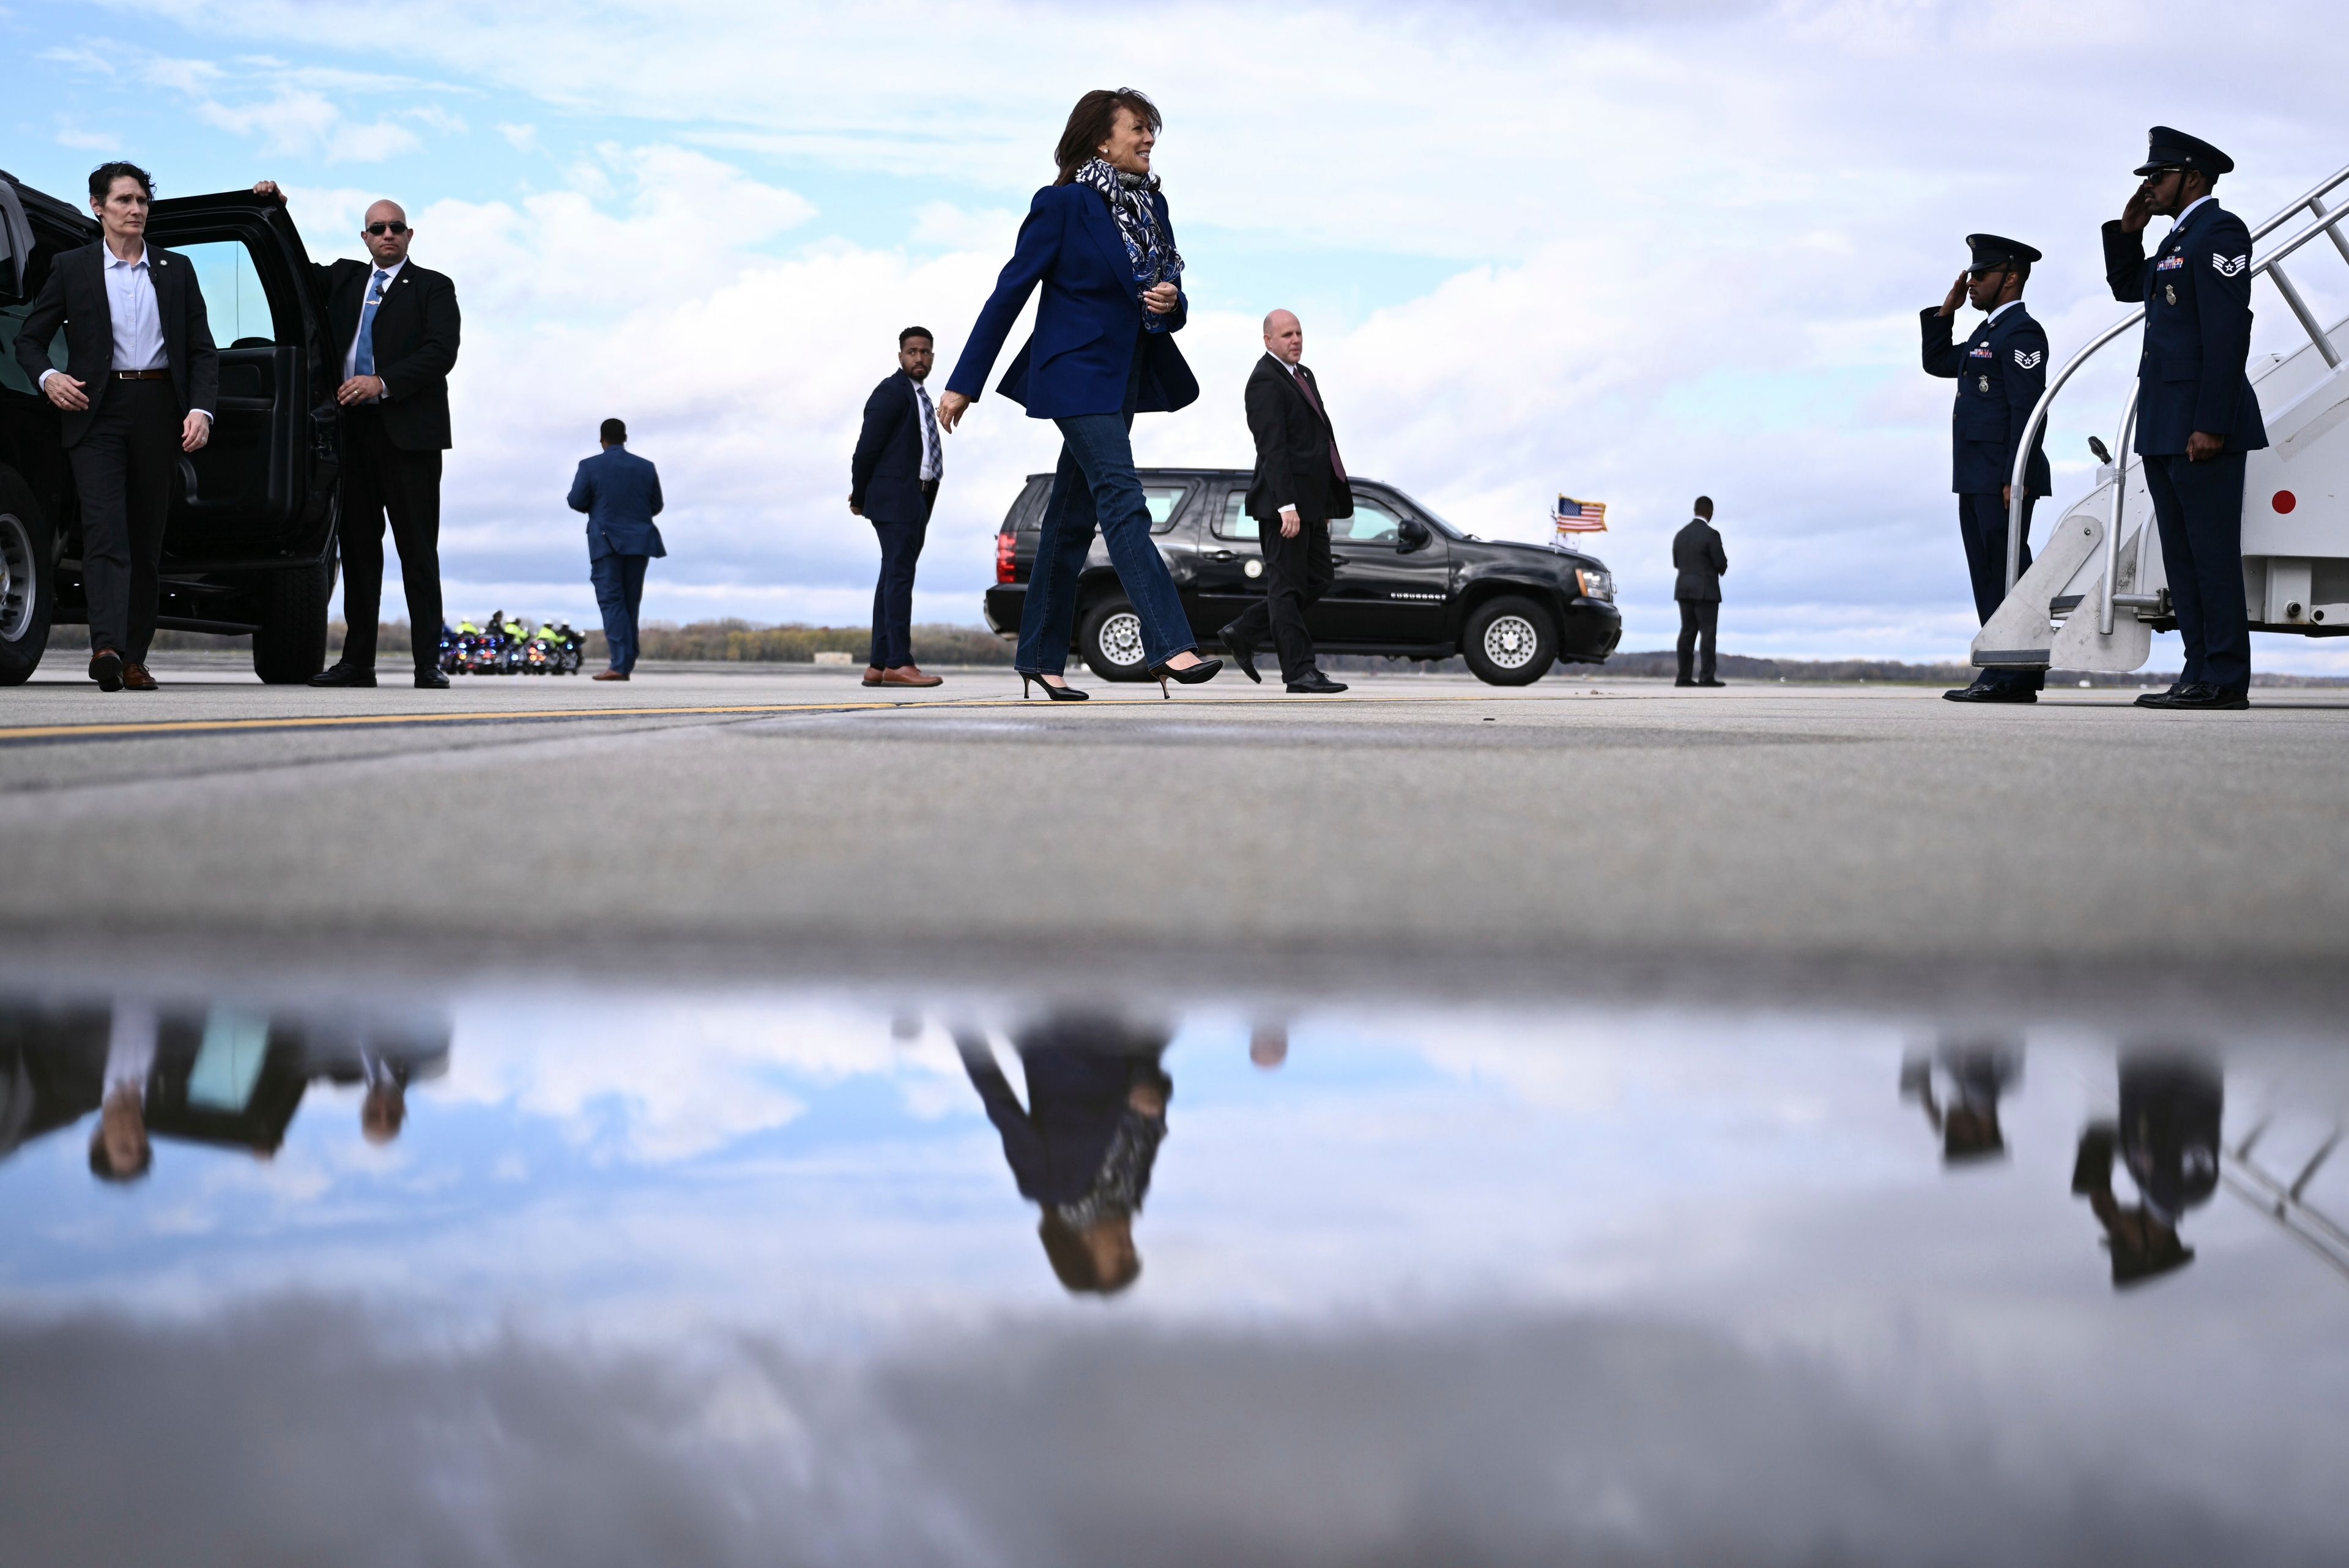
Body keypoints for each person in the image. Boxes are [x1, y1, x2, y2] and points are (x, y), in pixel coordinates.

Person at [937, 87, 1220, 701]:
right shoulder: (1062, 205)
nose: (1149, 140)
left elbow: (1165, 294)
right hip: (1072, 375)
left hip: (1122, 378)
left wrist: (1172, 302)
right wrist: (964, 383)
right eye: (1139, 129)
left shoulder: (1152, 206)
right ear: (1102, 139)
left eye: (1152, 131)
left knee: (1070, 523)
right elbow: (1008, 292)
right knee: (1123, 500)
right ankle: (1169, 645)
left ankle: (1039, 657)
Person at [12, 161, 217, 693]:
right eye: (124, 200)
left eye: (142, 201)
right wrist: (50, 376)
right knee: (106, 534)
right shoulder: (72, 267)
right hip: (94, 411)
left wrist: (201, 409)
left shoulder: (177, 269)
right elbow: (29, 339)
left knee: (146, 542)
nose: (136, 210)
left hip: (158, 409)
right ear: (98, 207)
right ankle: (106, 646)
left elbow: (201, 351)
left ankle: (134, 658)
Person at [252, 181, 461, 691]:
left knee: (417, 552)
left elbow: (441, 352)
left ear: (409, 235)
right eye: (377, 228)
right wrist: (276, 210)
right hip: (352, 435)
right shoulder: (345, 281)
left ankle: (427, 664)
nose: (387, 234)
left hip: (409, 437)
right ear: (364, 237)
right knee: (359, 551)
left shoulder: (434, 286)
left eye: (396, 227)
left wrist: (382, 382)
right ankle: (357, 663)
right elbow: (292, 268)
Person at [2104, 128, 2266, 711]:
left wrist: (2212, 421)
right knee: (2183, 556)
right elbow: (2130, 288)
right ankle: (2198, 672)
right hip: (2167, 422)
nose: (2149, 185)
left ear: (2192, 176)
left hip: (2200, 425)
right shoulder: (2176, 238)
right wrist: (2129, 232)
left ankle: (2224, 678)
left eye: (2158, 175)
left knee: (2212, 554)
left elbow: (2227, 332)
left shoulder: (2220, 231)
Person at [956, 1015, 1173, 1296]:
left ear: (1082, 1248)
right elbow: (1149, 1103)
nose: (1129, 1249)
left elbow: (998, 1100)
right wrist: (1150, 1087)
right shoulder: (1132, 1192)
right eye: (1133, 1257)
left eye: (1120, 1260)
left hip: (1063, 1024)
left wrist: (962, 1023)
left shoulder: (1046, 1183)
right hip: (1135, 1024)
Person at [1923, 234, 2052, 704]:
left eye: (1981, 274)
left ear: (2011, 278)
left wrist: (2013, 478)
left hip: (2002, 476)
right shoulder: (1985, 333)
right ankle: (2006, 668)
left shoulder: (2022, 334)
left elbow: (2028, 410)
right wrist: (1948, 309)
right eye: (1971, 274)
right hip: (1976, 474)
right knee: (1987, 574)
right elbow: (1937, 361)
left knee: (2006, 574)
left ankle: (2010, 671)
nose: (1972, 281)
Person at [1219, 309, 1348, 694]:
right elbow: (1272, 449)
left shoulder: (1303, 375)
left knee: (1319, 578)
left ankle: (1245, 631)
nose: (1295, 340)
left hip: (1312, 505)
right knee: (1287, 588)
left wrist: (1322, 506)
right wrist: (1286, 505)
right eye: (1287, 335)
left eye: (1299, 333)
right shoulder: (1263, 381)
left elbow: (1316, 443)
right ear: (1268, 341)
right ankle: (1299, 672)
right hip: (1284, 507)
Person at [2071, 1052, 2222, 1287]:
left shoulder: (2143, 1180)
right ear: (2152, 1244)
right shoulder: (2191, 1189)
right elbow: (2200, 1105)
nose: (2115, 1231)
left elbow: (2110, 1122)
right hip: (2174, 1045)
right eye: (2122, 1240)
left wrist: (2096, 1181)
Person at [849, 327, 946, 688]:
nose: (919, 358)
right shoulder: (890, 392)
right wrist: (859, 496)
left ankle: (878, 664)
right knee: (900, 577)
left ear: (932, 357)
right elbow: (866, 450)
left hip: (918, 497)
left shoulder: (919, 395)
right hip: (895, 499)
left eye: (925, 352)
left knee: (891, 575)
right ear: (900, 356)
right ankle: (898, 663)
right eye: (912, 352)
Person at [567, 417, 666, 683]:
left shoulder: (589, 466)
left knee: (612, 601)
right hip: (640, 541)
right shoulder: (645, 467)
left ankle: (620, 665)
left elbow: (576, 500)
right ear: (625, 438)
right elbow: (656, 505)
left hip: (606, 542)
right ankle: (626, 660)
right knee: (631, 600)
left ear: (603, 440)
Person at [1671, 498, 1729, 688]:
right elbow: (1720, 563)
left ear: (1695, 510)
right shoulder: (1711, 535)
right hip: (1706, 591)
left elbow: (1677, 563)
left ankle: (1684, 677)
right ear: (1710, 512)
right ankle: (1706, 677)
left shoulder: (1681, 535)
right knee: (1707, 633)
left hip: (1684, 589)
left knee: (1687, 633)